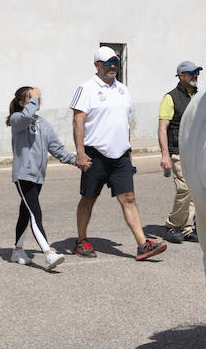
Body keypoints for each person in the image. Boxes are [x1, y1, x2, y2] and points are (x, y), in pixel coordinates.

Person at [70, 48, 166, 261]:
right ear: (97, 65)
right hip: (95, 154)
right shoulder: (86, 88)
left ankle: (143, 244)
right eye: (107, 62)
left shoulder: (123, 89)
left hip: (120, 155)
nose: (113, 65)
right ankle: (81, 240)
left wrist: (128, 149)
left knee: (129, 198)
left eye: (115, 61)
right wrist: (80, 152)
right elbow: (78, 121)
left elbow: (124, 123)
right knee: (88, 199)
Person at [7, 86, 77, 270]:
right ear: (23, 103)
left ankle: (17, 251)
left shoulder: (42, 123)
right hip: (24, 175)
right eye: (31, 98)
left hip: (38, 177)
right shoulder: (17, 119)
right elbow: (24, 117)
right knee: (34, 213)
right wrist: (34, 100)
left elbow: (57, 149)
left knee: (25, 212)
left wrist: (78, 161)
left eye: (37, 98)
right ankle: (48, 253)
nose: (37, 100)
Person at [157, 61, 200, 244]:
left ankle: (187, 228)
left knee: (194, 192)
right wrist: (165, 154)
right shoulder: (170, 98)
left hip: (196, 152)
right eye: (191, 73)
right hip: (177, 151)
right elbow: (162, 128)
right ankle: (172, 224)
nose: (195, 76)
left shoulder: (200, 96)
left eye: (196, 72)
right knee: (185, 188)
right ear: (181, 76)